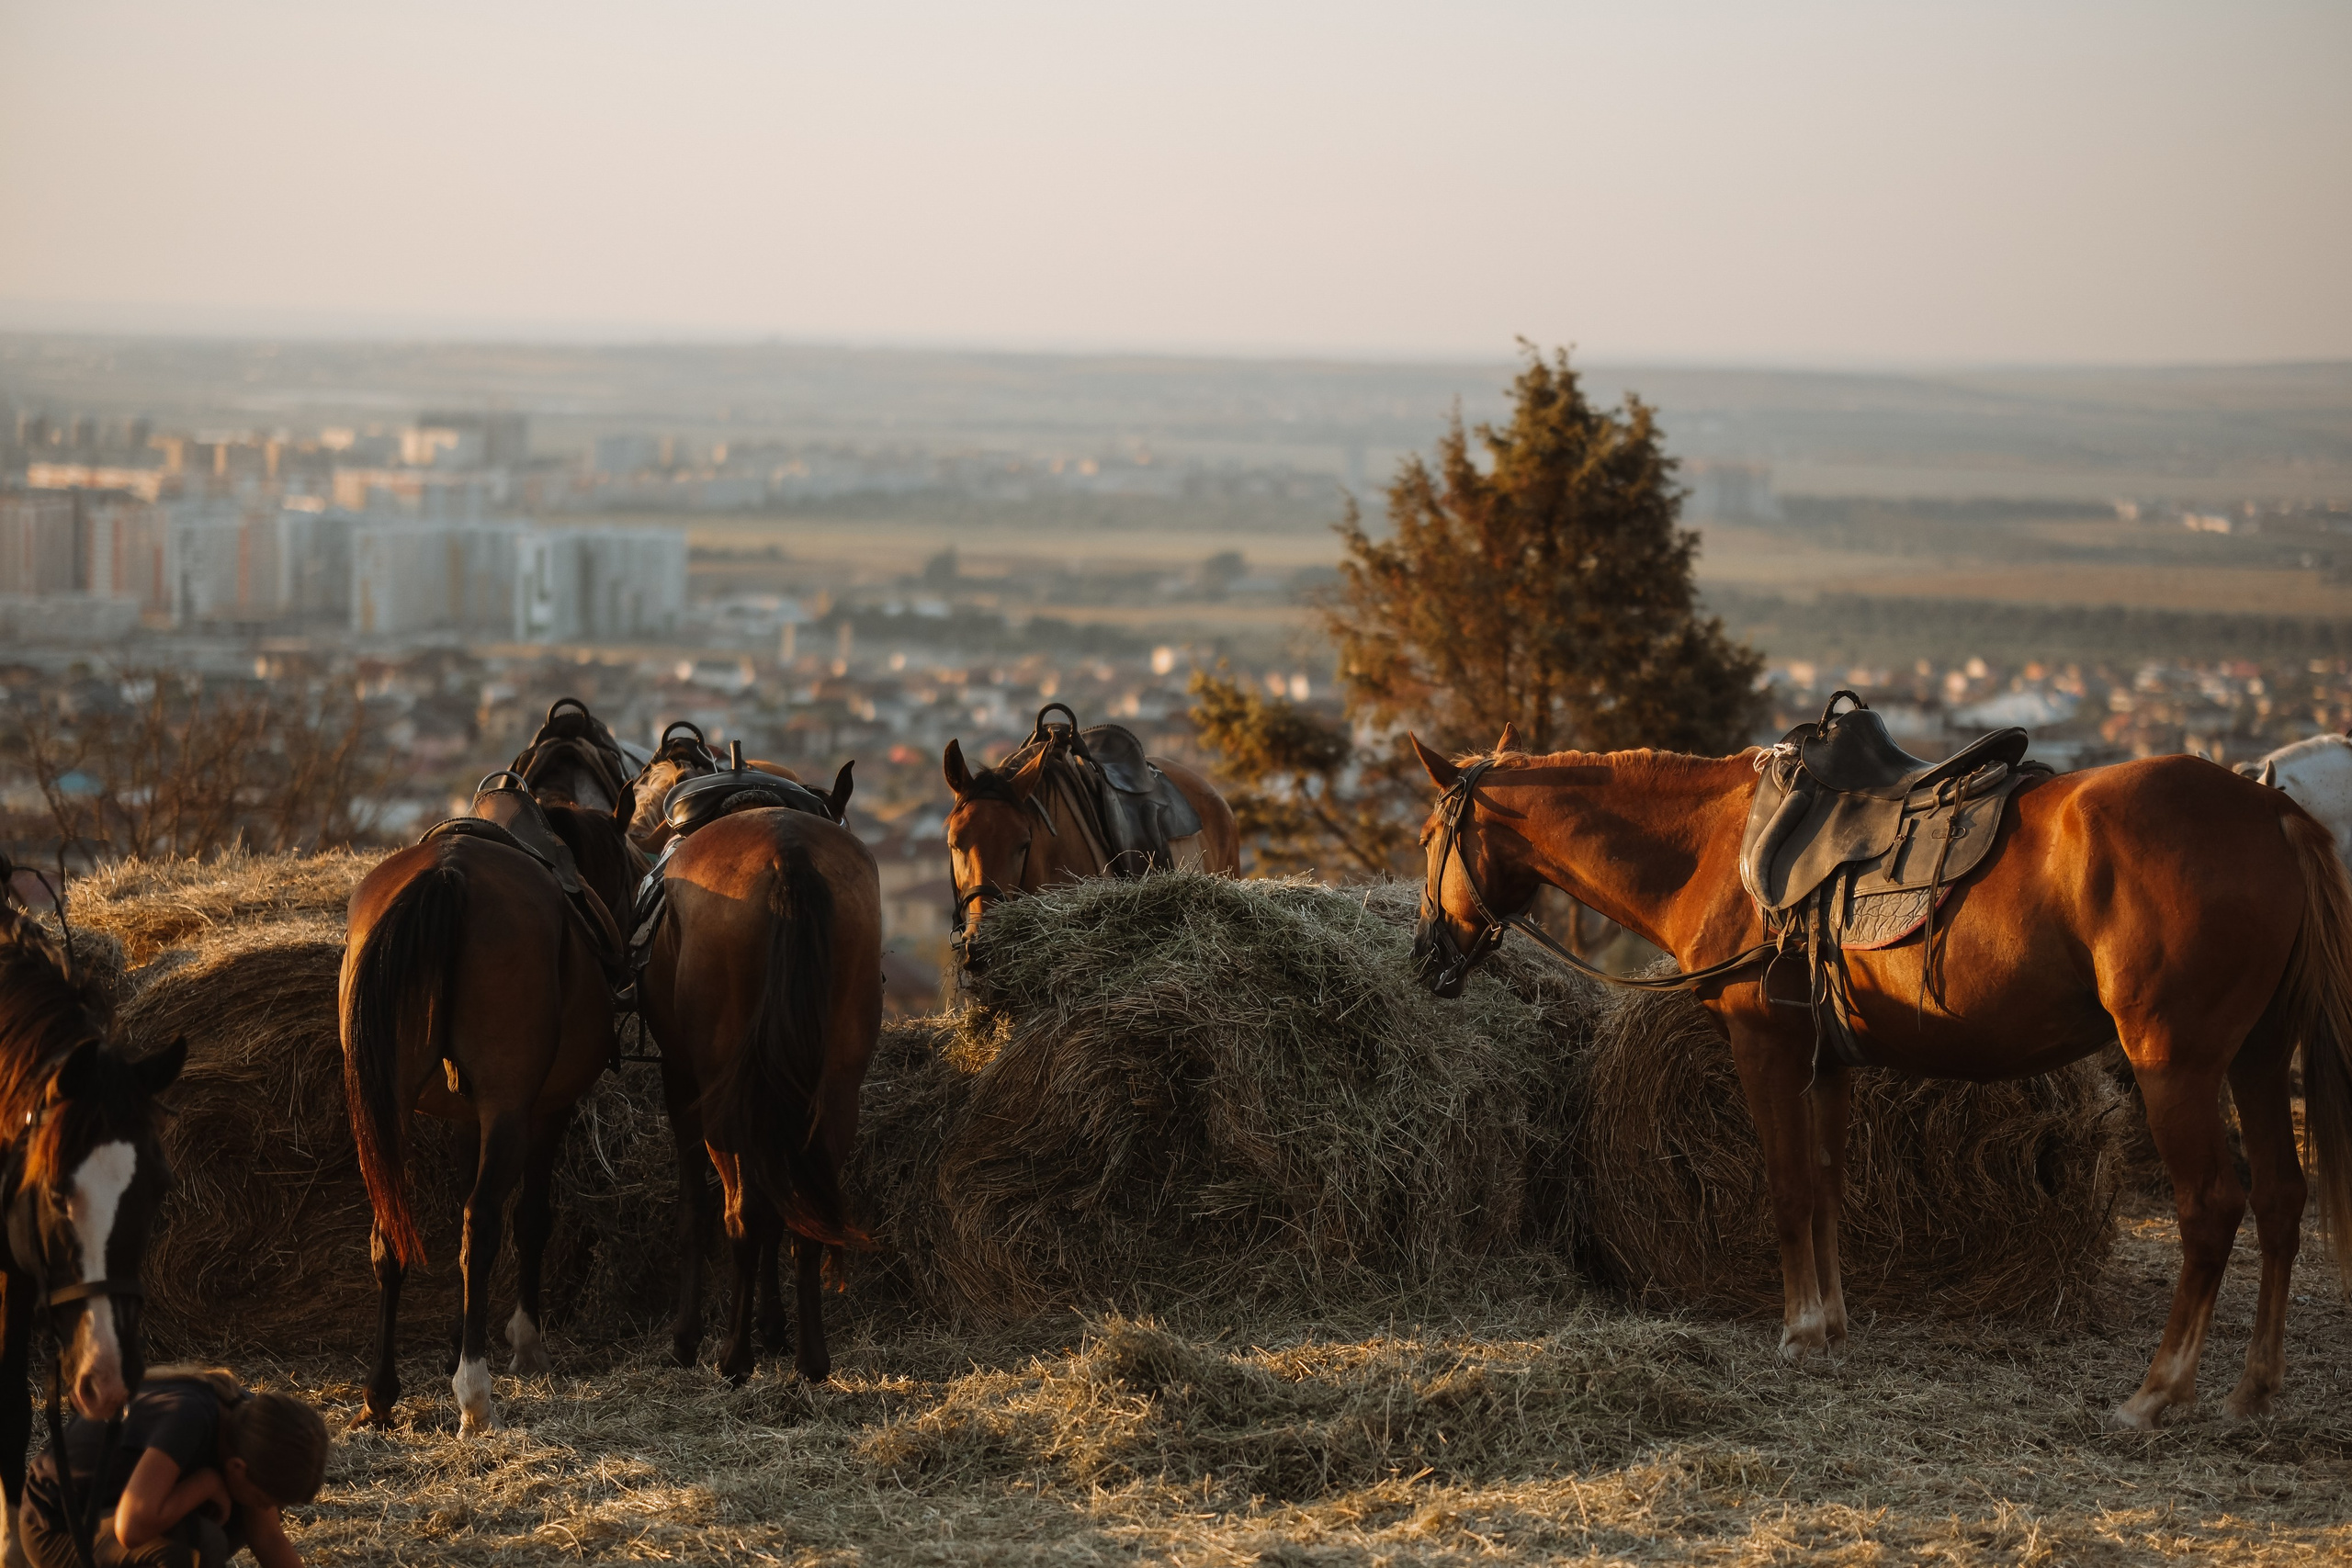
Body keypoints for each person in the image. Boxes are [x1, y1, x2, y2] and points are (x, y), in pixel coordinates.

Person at [20, 1367, 327, 1568]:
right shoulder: (189, 1418)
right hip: (56, 1527)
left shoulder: (250, 1424)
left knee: (236, 1517)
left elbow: (269, 1538)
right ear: (236, 1466)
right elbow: (131, 1528)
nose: (268, 1508)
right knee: (195, 1548)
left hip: (112, 1509)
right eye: (266, 1500)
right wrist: (206, 1483)